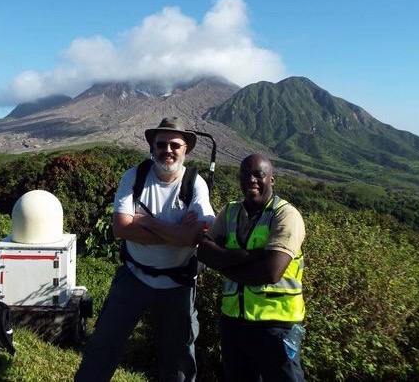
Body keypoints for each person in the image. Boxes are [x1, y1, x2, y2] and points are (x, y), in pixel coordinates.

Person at [75, 117, 215, 382]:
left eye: (176, 145)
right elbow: (121, 229)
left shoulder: (195, 184)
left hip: (178, 284)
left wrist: (148, 222)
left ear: (186, 149)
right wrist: (177, 233)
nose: (168, 150)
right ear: (152, 147)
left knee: (178, 359)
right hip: (134, 276)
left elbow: (195, 236)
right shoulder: (135, 176)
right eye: (162, 144)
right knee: (104, 344)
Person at [197, 153, 306, 382]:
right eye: (245, 174)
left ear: (272, 180)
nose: (252, 180)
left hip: (277, 326)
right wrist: (250, 256)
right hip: (233, 322)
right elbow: (204, 250)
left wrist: (223, 264)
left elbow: (270, 272)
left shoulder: (286, 215)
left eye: (259, 174)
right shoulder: (230, 212)